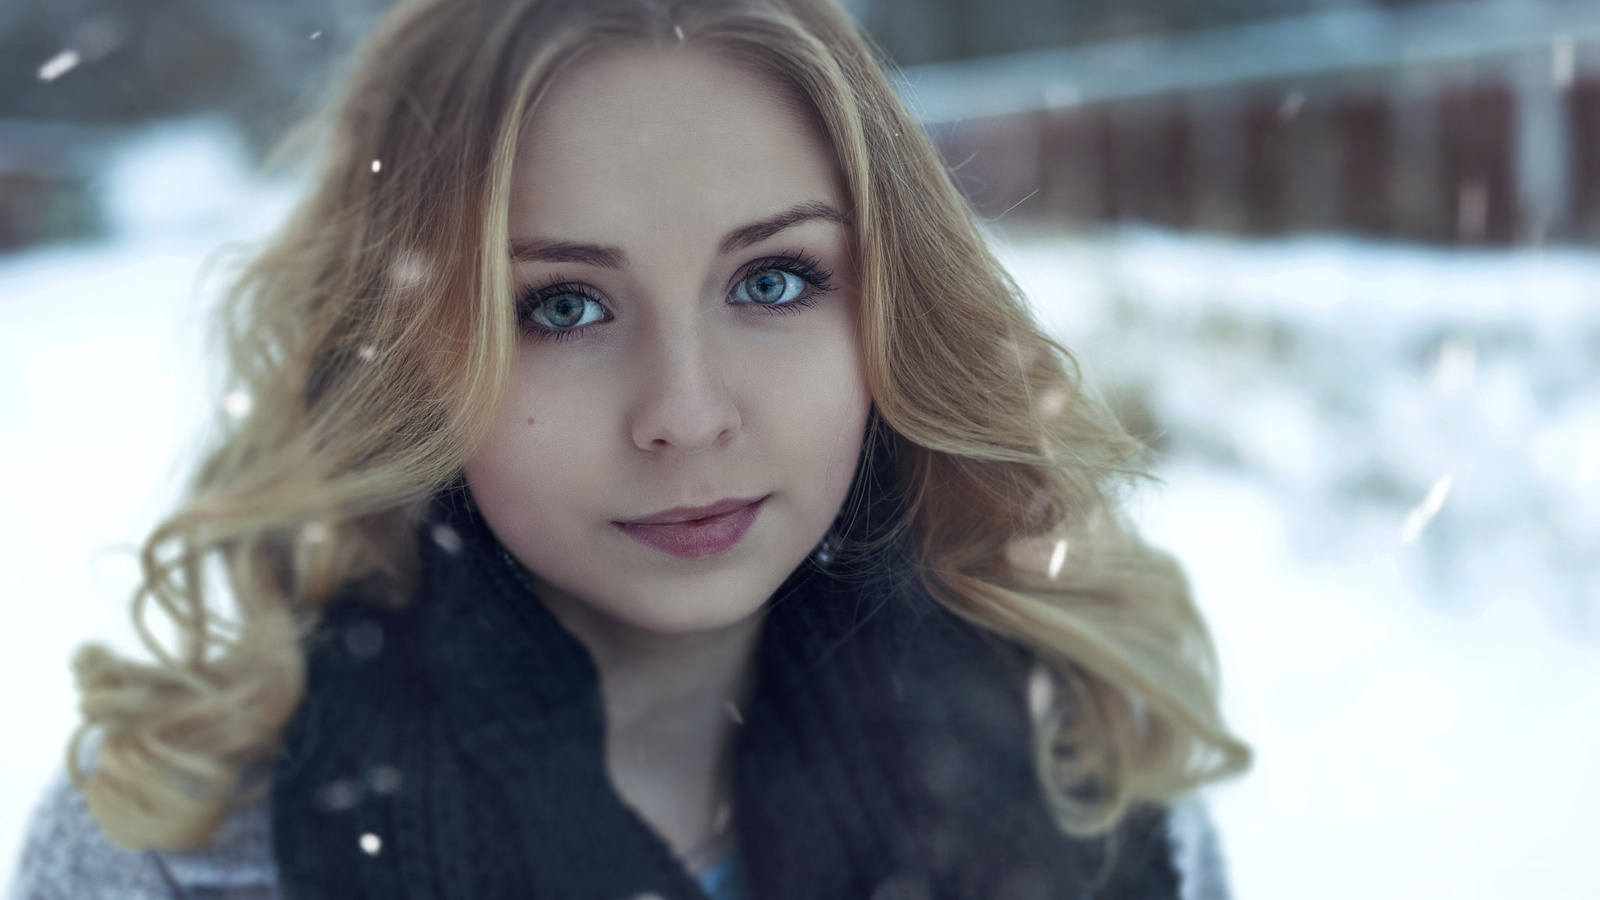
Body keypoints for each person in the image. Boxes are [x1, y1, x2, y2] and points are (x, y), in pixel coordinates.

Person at [9, 0, 1250, 897]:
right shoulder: (176, 847)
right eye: (559, 306)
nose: (688, 413)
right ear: (405, 355)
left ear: (885, 309)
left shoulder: (1080, 767)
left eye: (771, 280)